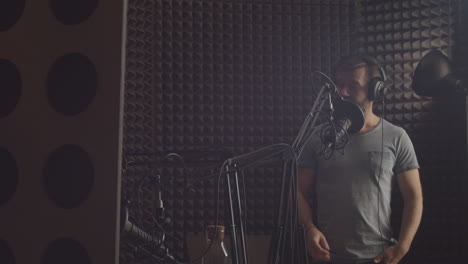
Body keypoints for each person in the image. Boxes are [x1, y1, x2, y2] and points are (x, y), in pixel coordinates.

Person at [297, 56, 423, 264]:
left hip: (377, 258)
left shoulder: (396, 137)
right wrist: (310, 228)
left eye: (353, 86)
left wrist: (403, 245)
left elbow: (414, 197)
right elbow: (298, 190)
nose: (343, 93)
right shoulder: (319, 136)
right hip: (327, 256)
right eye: (340, 85)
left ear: (375, 90)